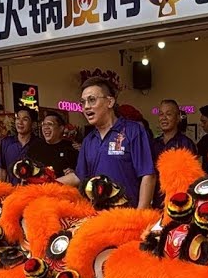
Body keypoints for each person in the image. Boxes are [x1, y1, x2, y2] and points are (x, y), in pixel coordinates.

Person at [59, 76, 156, 209]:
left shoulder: (133, 130)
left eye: (92, 100)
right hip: (98, 218)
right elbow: (79, 177)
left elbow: (148, 174)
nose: (86, 107)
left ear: (110, 102)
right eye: (83, 102)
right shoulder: (88, 140)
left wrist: (140, 215)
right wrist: (44, 184)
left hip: (128, 216)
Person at [29, 112, 79, 178]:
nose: (46, 127)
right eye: (43, 124)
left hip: (63, 187)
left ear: (61, 128)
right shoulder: (34, 147)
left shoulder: (72, 149)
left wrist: (74, 173)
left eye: (50, 124)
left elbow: (81, 174)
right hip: (37, 187)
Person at [0, 108, 37, 184]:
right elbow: (2, 172)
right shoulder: (6, 143)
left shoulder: (39, 144)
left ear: (33, 123)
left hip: (33, 193)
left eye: (25, 119)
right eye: (18, 118)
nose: (20, 122)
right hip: (11, 192)